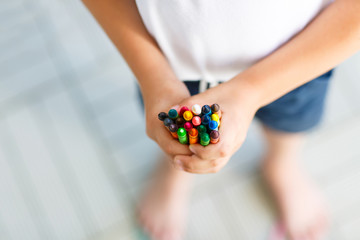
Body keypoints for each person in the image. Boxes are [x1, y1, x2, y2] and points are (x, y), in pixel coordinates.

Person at [82, 0, 360, 239]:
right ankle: (178, 168)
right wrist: (152, 74)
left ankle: (281, 163)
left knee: (291, 122)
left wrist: (251, 91)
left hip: (300, 56)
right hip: (167, 61)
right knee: (174, 134)